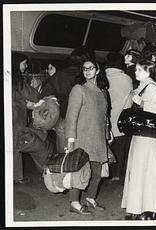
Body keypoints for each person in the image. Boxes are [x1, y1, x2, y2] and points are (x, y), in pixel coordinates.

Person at [121, 59, 156, 220]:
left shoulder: (152, 87)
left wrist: (141, 102)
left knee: (145, 171)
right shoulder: (143, 86)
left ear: (149, 72)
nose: (136, 72)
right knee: (139, 171)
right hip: (140, 135)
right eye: (136, 69)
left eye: (140, 70)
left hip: (147, 137)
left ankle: (147, 209)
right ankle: (137, 207)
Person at [64, 59, 110, 215]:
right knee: (80, 172)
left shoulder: (103, 92)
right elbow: (71, 116)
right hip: (82, 138)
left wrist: (107, 133)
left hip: (98, 138)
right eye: (85, 69)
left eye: (91, 68)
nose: (88, 71)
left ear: (97, 70)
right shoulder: (79, 89)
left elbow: (105, 117)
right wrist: (70, 140)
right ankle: (75, 203)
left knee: (97, 173)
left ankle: (90, 199)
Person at [12, 52, 40, 184]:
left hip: (11, 116)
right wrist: (36, 86)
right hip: (16, 118)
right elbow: (33, 96)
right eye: (24, 63)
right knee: (15, 147)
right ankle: (17, 176)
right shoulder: (18, 80)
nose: (26, 66)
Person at [105, 52, 133, 181]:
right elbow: (131, 99)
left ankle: (106, 172)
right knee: (120, 147)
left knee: (106, 145)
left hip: (106, 118)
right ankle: (117, 174)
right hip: (121, 118)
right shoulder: (126, 78)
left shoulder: (103, 77)